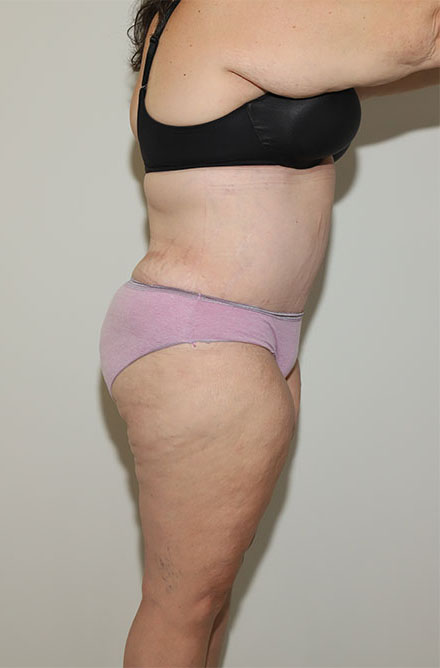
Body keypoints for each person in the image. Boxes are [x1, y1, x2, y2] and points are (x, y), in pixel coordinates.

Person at [99, 1, 440, 665]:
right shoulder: (218, 9)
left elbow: (398, 55)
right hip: (203, 340)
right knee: (182, 609)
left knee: (206, 604)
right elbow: (423, 35)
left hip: (239, 339)